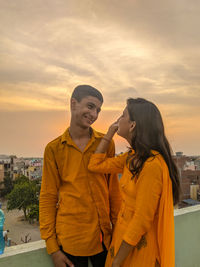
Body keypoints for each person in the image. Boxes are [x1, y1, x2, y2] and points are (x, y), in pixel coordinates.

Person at [88, 98, 180, 267]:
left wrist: (117, 262)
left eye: (123, 115)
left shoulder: (152, 165)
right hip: (122, 239)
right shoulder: (132, 158)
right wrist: (109, 133)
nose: (118, 120)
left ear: (132, 125)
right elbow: (94, 165)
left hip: (137, 248)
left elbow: (141, 220)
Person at [39, 85, 121, 267]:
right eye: (90, 106)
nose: (94, 114)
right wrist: (52, 248)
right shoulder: (54, 149)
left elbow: (113, 190)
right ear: (73, 104)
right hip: (70, 242)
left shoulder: (105, 143)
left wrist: (118, 231)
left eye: (98, 110)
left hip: (104, 239)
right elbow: (48, 196)